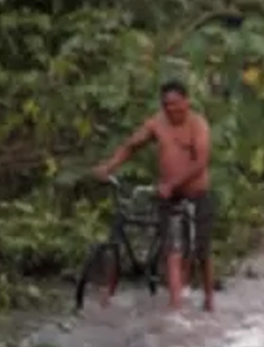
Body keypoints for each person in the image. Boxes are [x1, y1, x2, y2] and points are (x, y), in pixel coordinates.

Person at [92, 80, 215, 312]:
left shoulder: (198, 125)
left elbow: (201, 162)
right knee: (173, 251)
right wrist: (109, 166)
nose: (171, 109)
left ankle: (209, 298)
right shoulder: (157, 123)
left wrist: (172, 183)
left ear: (186, 102)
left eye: (175, 104)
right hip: (170, 198)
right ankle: (176, 308)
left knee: (202, 251)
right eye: (166, 104)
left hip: (196, 194)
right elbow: (131, 145)